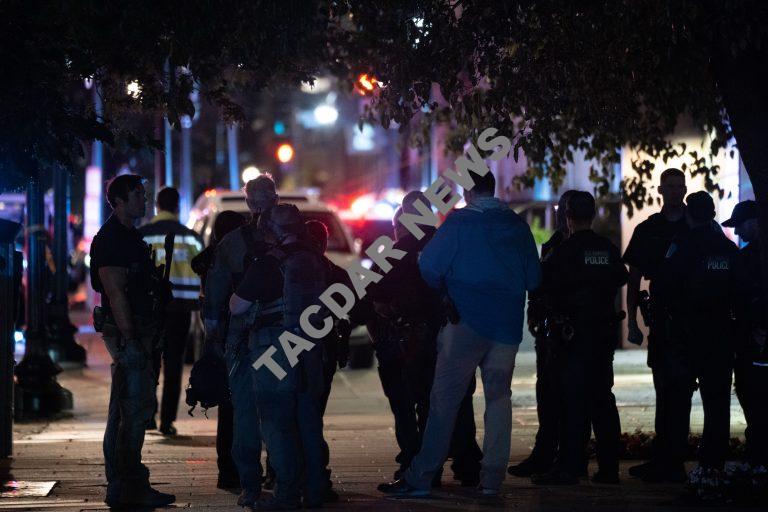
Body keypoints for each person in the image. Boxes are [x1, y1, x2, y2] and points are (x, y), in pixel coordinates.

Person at [380, 172, 541, 497]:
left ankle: (422, 475)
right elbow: (534, 279)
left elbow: (431, 269)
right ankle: (491, 480)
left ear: (467, 192)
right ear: (493, 189)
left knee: (444, 401)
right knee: (499, 399)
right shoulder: (517, 226)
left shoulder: (458, 224)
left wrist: (451, 285)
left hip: (464, 325)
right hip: (506, 329)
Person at [370, 193, 482, 487]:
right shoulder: (451, 243)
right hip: (455, 335)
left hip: (412, 342)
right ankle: (467, 463)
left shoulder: (395, 252)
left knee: (415, 402)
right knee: (458, 400)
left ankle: (418, 465)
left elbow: (375, 299)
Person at [230, 204, 329, 510]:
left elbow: (237, 306)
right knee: (309, 422)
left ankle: (286, 495)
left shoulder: (270, 264)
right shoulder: (315, 259)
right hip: (311, 347)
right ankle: (315, 490)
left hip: (276, 349)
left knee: (276, 422)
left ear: (271, 231)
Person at [90, 174, 175, 508]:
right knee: (135, 409)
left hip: (137, 330)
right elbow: (115, 292)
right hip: (128, 333)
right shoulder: (112, 239)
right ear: (120, 202)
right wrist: (132, 340)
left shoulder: (130, 236)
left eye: (144, 193)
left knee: (123, 409)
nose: (145, 199)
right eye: (138, 195)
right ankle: (130, 485)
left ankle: (121, 484)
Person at [530, 191, 627, 485]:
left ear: (568, 217)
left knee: (573, 401)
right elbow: (619, 277)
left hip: (572, 337)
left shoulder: (563, 251)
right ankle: (609, 468)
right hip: (602, 335)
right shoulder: (606, 248)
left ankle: (571, 466)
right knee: (602, 400)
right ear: (593, 214)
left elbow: (543, 286)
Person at [657, 191, 739, 494]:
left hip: (684, 336)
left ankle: (675, 463)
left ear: (690, 215)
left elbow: (663, 286)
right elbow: (738, 293)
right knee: (716, 403)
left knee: (678, 402)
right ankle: (713, 462)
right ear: (714, 214)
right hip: (719, 337)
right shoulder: (728, 250)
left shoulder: (682, 246)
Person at [203, 176, 278, 507]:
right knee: (286, 410)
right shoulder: (295, 237)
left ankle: (250, 483)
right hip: (289, 337)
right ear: (274, 198)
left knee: (245, 413)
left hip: (245, 337)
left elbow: (215, 295)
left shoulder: (233, 243)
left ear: (249, 203)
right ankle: (287, 477)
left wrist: (215, 333)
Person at [622, 168, 689, 482]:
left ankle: (672, 460)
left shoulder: (698, 225)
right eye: (670, 186)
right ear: (661, 189)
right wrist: (633, 321)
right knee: (665, 390)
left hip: (692, 323)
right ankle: (666, 459)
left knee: (681, 391)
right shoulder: (649, 229)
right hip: (662, 320)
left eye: (679, 186)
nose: (676, 192)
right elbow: (633, 279)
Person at [509, 189, 577, 477]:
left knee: (560, 394)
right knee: (551, 393)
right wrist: (534, 315)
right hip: (556, 331)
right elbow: (538, 286)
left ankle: (560, 455)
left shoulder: (567, 246)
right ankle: (552, 452)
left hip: (566, 334)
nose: (562, 215)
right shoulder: (559, 244)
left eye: (565, 210)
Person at [139, 186, 204, 436]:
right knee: (174, 364)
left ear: (157, 205)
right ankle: (167, 421)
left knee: (150, 362)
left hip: (151, 309)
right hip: (181, 309)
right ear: (178, 207)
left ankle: (148, 416)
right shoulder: (190, 237)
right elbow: (204, 269)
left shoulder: (142, 235)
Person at [190, 210, 246, 490]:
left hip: (217, 338)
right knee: (239, 406)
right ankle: (233, 468)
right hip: (233, 337)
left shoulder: (208, 259)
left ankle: (228, 468)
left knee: (228, 406)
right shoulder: (229, 260)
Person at [724, 201, 768, 474]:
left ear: (754, 221)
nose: (737, 232)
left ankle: (758, 456)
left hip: (752, 340)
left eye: (740, 225)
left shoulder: (749, 258)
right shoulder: (748, 256)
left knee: (753, 396)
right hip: (750, 338)